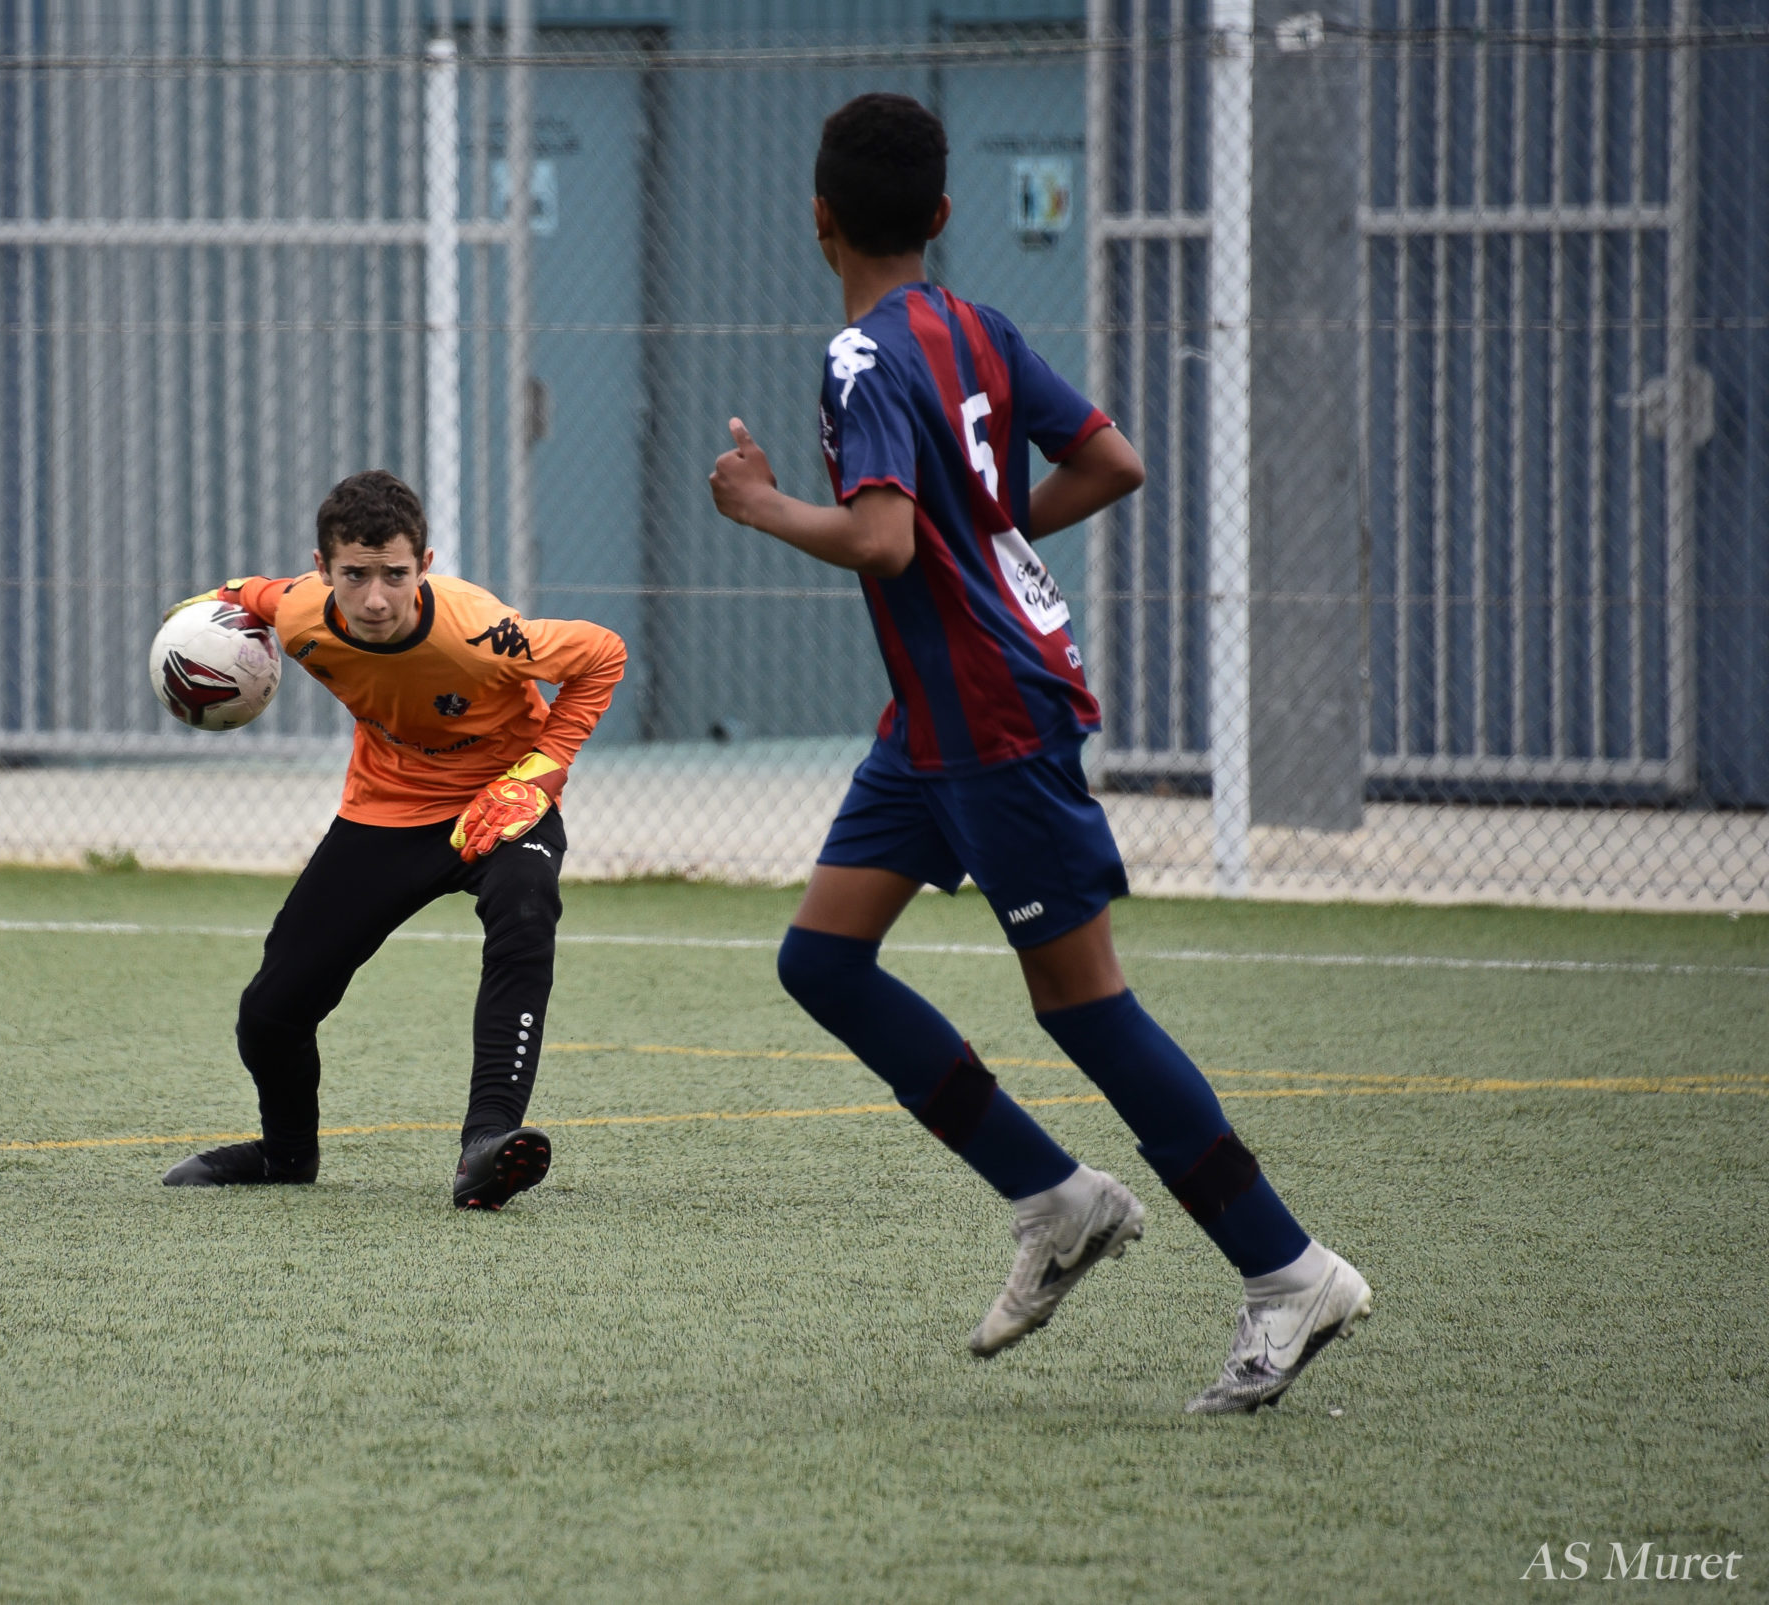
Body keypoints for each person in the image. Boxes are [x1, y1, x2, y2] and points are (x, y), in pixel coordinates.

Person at [706, 92, 1369, 1414]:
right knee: (821, 960)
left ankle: (1288, 1269)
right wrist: (988, 533)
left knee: (1085, 1005)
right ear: (944, 214)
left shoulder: (859, 357)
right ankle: (1057, 1197)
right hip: (930, 727)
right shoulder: (979, 326)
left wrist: (764, 503)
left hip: (991, 721)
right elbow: (1111, 460)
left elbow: (884, 539)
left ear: (818, 217)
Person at [160, 470, 627, 1210]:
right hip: (387, 810)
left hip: (499, 803)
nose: (376, 598)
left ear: (425, 565)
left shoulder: (479, 633)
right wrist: (197, 617)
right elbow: (246, 592)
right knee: (271, 1013)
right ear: (322, 569)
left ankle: (488, 1142)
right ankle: (285, 1156)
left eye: (395, 575)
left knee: (526, 907)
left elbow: (602, 653)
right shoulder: (299, 612)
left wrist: (541, 773)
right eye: (355, 575)